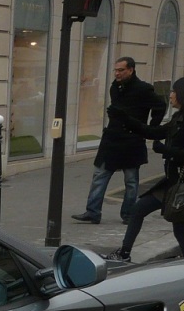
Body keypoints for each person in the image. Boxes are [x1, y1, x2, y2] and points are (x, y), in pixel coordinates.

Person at [105, 75, 184, 263]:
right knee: (138, 210)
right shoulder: (180, 116)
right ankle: (124, 253)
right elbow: (156, 132)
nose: (170, 96)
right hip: (172, 181)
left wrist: (165, 150)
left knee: (181, 230)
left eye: (174, 91)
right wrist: (125, 119)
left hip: (183, 184)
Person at [71, 57, 167, 225]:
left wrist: (149, 128)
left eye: (121, 70)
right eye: (115, 70)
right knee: (99, 175)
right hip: (112, 138)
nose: (117, 73)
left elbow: (160, 106)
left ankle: (128, 214)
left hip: (131, 140)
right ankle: (92, 212)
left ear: (131, 70)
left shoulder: (143, 89)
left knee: (131, 180)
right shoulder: (115, 87)